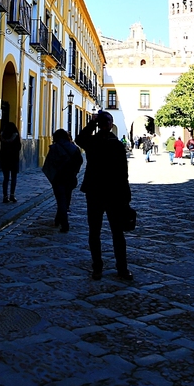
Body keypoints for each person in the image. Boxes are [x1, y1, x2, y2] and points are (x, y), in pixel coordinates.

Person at [76, 110, 133, 280]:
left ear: (100, 124)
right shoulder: (116, 145)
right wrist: (126, 196)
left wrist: (92, 123)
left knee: (95, 232)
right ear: (110, 124)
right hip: (114, 193)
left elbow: (80, 139)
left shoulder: (92, 142)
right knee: (117, 233)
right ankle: (122, 269)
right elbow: (124, 173)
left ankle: (97, 268)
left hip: (95, 192)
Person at [44, 128, 83, 232]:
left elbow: (48, 163)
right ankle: (59, 219)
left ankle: (64, 223)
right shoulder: (74, 148)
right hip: (70, 177)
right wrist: (75, 172)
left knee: (60, 200)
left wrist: (53, 174)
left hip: (58, 178)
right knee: (66, 199)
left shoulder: (54, 148)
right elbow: (80, 161)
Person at [0, 111, 22, 203]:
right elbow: (19, 147)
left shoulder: (3, 137)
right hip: (14, 159)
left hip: (4, 159)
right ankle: (12, 195)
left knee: (5, 178)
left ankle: (5, 196)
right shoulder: (15, 137)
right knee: (14, 178)